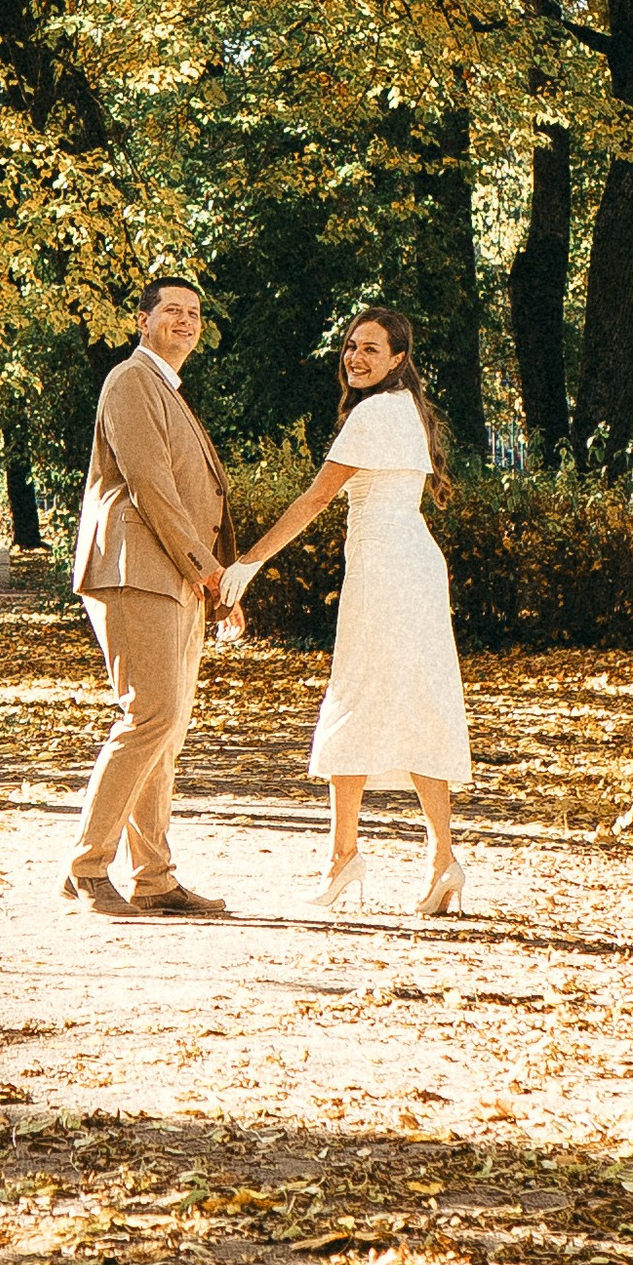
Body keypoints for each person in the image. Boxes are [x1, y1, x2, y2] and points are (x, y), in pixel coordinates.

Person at [220, 305, 470, 916]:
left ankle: (348, 857)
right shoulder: (402, 410)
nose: (356, 358)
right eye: (352, 347)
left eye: (371, 350)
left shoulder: (376, 413)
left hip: (388, 569)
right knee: (408, 700)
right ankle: (438, 858)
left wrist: (246, 565)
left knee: (357, 695)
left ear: (398, 361)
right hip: (404, 564)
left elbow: (314, 500)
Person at [64, 273, 237, 918]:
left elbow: (195, 496)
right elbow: (150, 487)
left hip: (174, 577)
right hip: (134, 568)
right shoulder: (131, 380)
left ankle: (156, 879)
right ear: (144, 321)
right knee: (151, 716)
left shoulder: (171, 389)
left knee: (166, 729)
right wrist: (207, 570)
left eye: (193, 312)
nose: (185, 320)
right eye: (172, 310)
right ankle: (87, 866)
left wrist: (213, 582)